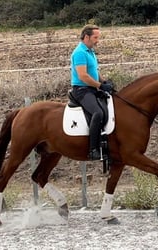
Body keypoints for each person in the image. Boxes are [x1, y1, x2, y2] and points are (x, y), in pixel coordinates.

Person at [70, 24, 113, 161]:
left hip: (92, 88)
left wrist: (104, 82)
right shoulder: (79, 53)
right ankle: (93, 149)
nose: (97, 40)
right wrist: (100, 85)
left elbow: (94, 71)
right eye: (95, 37)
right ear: (86, 36)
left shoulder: (90, 51)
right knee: (98, 113)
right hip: (82, 90)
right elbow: (83, 76)